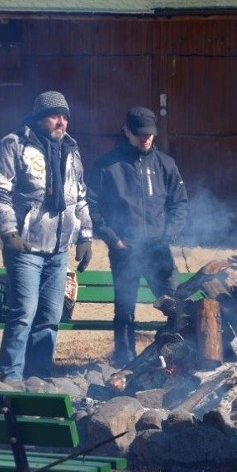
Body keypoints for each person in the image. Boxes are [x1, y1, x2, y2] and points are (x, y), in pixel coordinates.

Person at [0, 90, 93, 384]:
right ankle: (11, 378)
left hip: (58, 251)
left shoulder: (72, 150)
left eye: (65, 116)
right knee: (24, 314)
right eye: (55, 116)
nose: (62, 122)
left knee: (49, 317)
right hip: (26, 249)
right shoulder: (14, 145)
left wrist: (85, 236)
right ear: (39, 117)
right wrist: (9, 233)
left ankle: (39, 379)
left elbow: (80, 196)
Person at [87, 107, 189, 365]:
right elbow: (91, 206)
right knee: (124, 310)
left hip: (158, 250)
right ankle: (124, 361)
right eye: (140, 134)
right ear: (127, 131)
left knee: (175, 306)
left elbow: (180, 203)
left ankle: (179, 357)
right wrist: (113, 239)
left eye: (150, 134)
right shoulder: (106, 166)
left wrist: (168, 235)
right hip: (124, 249)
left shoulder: (166, 164)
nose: (146, 139)